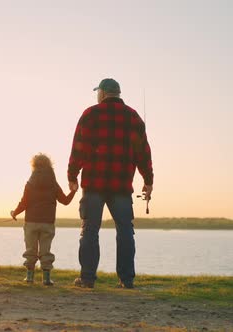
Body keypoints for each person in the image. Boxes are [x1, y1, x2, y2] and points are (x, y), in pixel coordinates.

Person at [68, 78, 154, 289]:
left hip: (94, 184)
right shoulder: (133, 117)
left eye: (98, 92)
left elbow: (78, 147)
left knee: (90, 230)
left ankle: (87, 279)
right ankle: (126, 279)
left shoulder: (90, 114)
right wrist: (148, 180)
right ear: (118, 93)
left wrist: (72, 175)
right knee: (125, 231)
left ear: (103, 93)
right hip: (121, 186)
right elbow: (143, 152)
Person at [10, 153, 77, 285]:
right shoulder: (53, 184)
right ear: (49, 166)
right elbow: (65, 201)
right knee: (46, 251)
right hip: (48, 223)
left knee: (30, 250)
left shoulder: (30, 183)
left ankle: (29, 277)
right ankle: (46, 279)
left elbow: (24, 203)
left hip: (31, 222)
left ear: (34, 166)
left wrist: (14, 213)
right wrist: (73, 191)